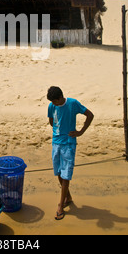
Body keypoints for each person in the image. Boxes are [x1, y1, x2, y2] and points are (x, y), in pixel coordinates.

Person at [47, 86, 94, 221]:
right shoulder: (51, 106)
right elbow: (52, 122)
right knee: (59, 173)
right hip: (56, 142)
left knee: (66, 175)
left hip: (68, 144)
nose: (53, 104)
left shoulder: (73, 103)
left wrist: (80, 132)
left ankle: (60, 206)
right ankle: (68, 197)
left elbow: (90, 115)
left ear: (60, 97)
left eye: (55, 102)